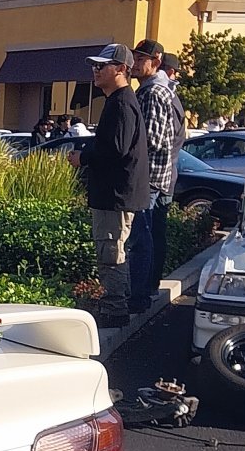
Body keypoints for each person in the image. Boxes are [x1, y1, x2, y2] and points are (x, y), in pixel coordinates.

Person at [69, 44, 150, 328]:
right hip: (116, 194)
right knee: (114, 251)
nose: (96, 70)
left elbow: (116, 149)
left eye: (102, 66)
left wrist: (84, 157)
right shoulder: (119, 102)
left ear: (121, 69)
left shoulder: (121, 103)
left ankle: (114, 311)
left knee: (111, 253)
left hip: (115, 196)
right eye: (94, 66)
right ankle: (116, 304)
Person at [127, 39, 182, 314]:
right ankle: (145, 290)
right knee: (150, 235)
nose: (135, 65)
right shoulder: (160, 90)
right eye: (135, 59)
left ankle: (139, 295)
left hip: (149, 176)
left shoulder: (153, 93)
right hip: (160, 175)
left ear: (156, 62)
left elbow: (154, 139)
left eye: (140, 60)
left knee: (140, 238)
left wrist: (126, 147)